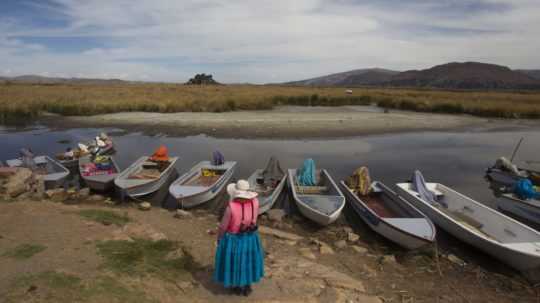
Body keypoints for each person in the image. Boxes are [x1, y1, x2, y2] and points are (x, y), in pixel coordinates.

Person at [214, 180, 264, 296]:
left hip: (234, 239)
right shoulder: (255, 202)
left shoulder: (231, 207)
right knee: (248, 260)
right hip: (251, 237)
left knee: (235, 261)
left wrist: (219, 239)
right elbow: (254, 218)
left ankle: (237, 286)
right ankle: (247, 286)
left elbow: (223, 227)